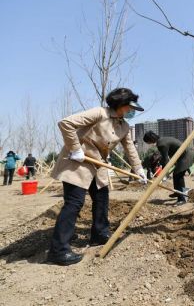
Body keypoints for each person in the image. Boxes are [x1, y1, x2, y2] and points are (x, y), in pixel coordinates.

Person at [47, 88, 147, 266]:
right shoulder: (99, 113)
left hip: (98, 164)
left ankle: (99, 234)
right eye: (129, 108)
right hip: (78, 161)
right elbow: (65, 123)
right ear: (120, 104)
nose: (131, 112)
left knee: (102, 197)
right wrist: (75, 148)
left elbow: (130, 147)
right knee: (74, 202)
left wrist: (139, 169)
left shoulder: (123, 126)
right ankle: (58, 250)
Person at [143, 131, 194, 204]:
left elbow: (165, 159)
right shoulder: (162, 140)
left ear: (150, 140)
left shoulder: (161, 144)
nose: (148, 144)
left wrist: (164, 173)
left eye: (147, 142)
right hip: (182, 156)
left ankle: (182, 198)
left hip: (185, 156)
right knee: (176, 175)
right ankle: (177, 192)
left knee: (178, 175)